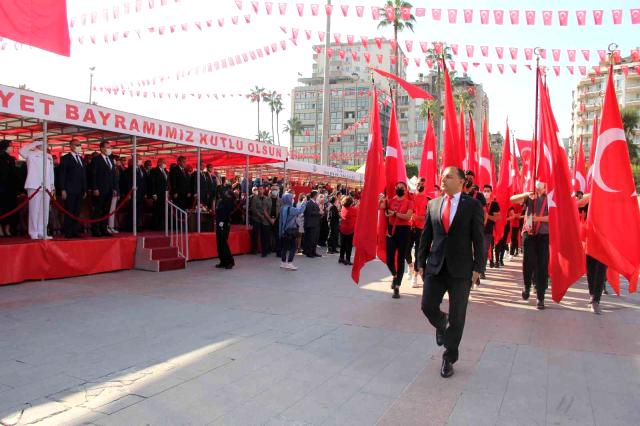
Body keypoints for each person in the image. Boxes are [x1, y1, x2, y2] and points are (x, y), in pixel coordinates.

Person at [417, 166, 484, 378]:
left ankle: (449, 357)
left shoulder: (472, 205)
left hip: (461, 269)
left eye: (448, 177)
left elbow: (479, 239)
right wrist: (420, 262)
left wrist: (478, 268)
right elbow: (426, 236)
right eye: (442, 176)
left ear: (461, 182)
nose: (443, 180)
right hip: (435, 266)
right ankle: (440, 321)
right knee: (427, 305)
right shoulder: (433, 204)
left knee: (458, 316)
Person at [510, 181, 550, 310]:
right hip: (528, 233)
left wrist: (539, 219)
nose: (540, 185)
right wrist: (526, 194)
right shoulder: (530, 197)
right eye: (538, 182)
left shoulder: (551, 198)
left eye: (542, 183)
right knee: (529, 262)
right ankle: (527, 286)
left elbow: (555, 217)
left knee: (542, 265)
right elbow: (513, 199)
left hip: (544, 235)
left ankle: (540, 296)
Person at [379, 181, 414, 299]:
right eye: (398, 187)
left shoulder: (409, 202)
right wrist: (382, 199)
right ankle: (394, 276)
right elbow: (380, 207)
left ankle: (397, 287)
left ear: (406, 190)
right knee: (389, 259)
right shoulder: (390, 201)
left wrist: (395, 213)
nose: (400, 189)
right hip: (391, 232)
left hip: (404, 231)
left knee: (400, 259)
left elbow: (408, 217)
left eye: (402, 187)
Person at [20, 140, 55, 239]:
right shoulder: (30, 154)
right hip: (34, 185)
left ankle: (42, 231)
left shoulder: (48, 156)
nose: (46, 144)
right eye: (44, 142)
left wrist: (52, 186)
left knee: (44, 210)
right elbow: (21, 151)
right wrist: (34, 143)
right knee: (34, 210)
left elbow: (51, 172)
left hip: (46, 186)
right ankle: (33, 232)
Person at [59, 139, 87, 238]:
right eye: (76, 145)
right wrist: (63, 189)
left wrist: (84, 189)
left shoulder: (81, 159)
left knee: (77, 211)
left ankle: (75, 230)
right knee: (69, 210)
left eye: (80, 144)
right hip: (69, 189)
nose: (79, 146)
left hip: (80, 190)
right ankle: (68, 231)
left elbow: (83, 175)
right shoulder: (65, 158)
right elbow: (62, 175)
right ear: (71, 146)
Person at [89, 141, 118, 237]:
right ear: (101, 148)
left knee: (106, 210)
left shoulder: (110, 159)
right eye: (107, 147)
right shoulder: (96, 160)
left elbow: (114, 175)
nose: (109, 149)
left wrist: (115, 188)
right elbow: (93, 175)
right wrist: (95, 188)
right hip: (100, 189)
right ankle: (95, 230)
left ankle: (103, 228)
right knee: (98, 210)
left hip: (109, 189)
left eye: (110, 147)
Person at [407, 178, 429, 288]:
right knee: (406, 250)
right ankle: (410, 266)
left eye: (422, 184)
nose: (420, 185)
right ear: (415, 184)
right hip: (410, 227)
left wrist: (419, 217)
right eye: (419, 183)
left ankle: (415, 277)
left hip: (421, 229)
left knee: (418, 253)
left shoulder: (428, 200)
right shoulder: (411, 196)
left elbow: (428, 216)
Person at [278, 192, 308, 270]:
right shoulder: (290, 209)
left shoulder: (282, 208)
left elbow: (280, 221)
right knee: (293, 247)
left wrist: (280, 231)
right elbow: (300, 211)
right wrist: (303, 203)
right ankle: (290, 263)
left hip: (284, 231)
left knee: (284, 247)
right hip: (290, 231)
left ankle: (283, 263)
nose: (292, 200)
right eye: (291, 198)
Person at [0, 139, 19, 237]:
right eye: (10, 146)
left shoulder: (12, 159)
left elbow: (15, 174)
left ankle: (7, 228)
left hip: (10, 187)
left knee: (10, 208)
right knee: (2, 208)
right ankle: (1, 229)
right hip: (2, 187)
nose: (12, 148)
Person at [482, 184, 501, 272]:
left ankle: (482, 269)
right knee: (476, 251)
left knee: (485, 250)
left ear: (491, 192)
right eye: (485, 191)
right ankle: (478, 269)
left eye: (488, 191)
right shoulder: (479, 202)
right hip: (477, 229)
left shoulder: (494, 204)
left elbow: (497, 218)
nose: (486, 193)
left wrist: (487, 216)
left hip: (488, 231)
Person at [215, 189, 235, 269]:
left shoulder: (229, 202)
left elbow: (227, 212)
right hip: (219, 223)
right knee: (219, 243)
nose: (224, 195)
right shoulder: (222, 201)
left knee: (223, 243)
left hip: (225, 224)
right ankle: (222, 261)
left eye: (226, 194)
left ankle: (230, 261)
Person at [338, 195, 357, 265]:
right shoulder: (353, 210)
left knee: (343, 244)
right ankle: (347, 259)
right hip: (350, 230)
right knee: (349, 245)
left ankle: (341, 257)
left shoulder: (343, 208)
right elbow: (358, 211)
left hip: (343, 229)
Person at [150, 158, 168, 230]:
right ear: (159, 163)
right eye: (163, 162)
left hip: (164, 194)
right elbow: (152, 183)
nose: (165, 164)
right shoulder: (154, 171)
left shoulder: (165, 171)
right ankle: (155, 226)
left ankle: (161, 225)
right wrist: (154, 193)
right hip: (157, 194)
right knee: (157, 210)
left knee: (162, 210)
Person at [303, 190, 322, 257]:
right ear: (314, 196)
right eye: (317, 195)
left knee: (315, 239)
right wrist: (318, 213)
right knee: (311, 239)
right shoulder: (309, 203)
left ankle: (313, 251)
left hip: (316, 223)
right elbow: (309, 213)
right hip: (311, 224)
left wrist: (320, 213)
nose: (318, 197)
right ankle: (309, 252)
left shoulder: (315, 203)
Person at [266, 185, 283, 257]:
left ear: (278, 191)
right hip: (268, 220)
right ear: (271, 190)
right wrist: (270, 219)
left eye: (276, 189)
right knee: (268, 235)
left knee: (277, 236)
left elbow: (281, 210)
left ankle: (278, 251)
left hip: (277, 220)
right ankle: (268, 250)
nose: (275, 191)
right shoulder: (267, 199)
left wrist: (275, 218)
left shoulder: (280, 200)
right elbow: (264, 210)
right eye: (273, 189)